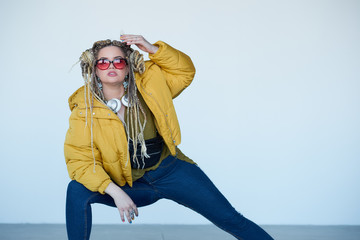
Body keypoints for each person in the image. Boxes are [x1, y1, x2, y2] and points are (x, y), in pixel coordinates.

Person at [64, 34, 274, 240]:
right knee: (76, 190)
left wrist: (153, 49)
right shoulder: (84, 108)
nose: (111, 66)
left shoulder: (149, 85)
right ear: (93, 69)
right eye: (103, 62)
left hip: (170, 170)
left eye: (118, 61)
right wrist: (116, 193)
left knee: (231, 219)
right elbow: (80, 160)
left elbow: (184, 72)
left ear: (128, 67)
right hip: (129, 184)